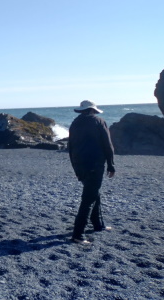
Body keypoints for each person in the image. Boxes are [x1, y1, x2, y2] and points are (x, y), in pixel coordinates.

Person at [68, 100, 116, 244]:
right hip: (95, 164)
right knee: (89, 199)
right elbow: (107, 145)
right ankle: (78, 234)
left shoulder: (74, 124)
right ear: (92, 110)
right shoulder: (99, 121)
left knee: (94, 194)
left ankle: (98, 225)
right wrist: (111, 165)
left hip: (80, 165)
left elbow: (70, 147)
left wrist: (75, 168)